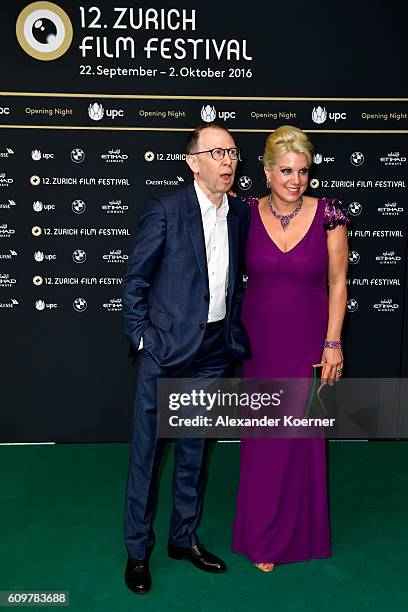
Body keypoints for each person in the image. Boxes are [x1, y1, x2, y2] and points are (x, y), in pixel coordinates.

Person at [122, 122, 251, 593]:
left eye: (233, 152)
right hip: (166, 351)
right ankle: (138, 552)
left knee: (195, 450)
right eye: (216, 153)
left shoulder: (239, 215)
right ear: (193, 162)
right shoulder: (166, 210)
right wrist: (143, 339)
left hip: (214, 351)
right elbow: (135, 282)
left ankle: (183, 538)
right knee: (148, 455)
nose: (227, 161)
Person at [231, 125, 349, 572]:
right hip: (259, 338)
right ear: (266, 171)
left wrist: (333, 342)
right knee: (264, 435)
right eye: (284, 170)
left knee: (298, 436)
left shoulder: (329, 214)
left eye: (301, 170)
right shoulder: (242, 213)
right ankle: (262, 533)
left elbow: (338, 282)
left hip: (307, 340)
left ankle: (302, 532)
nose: (294, 179)